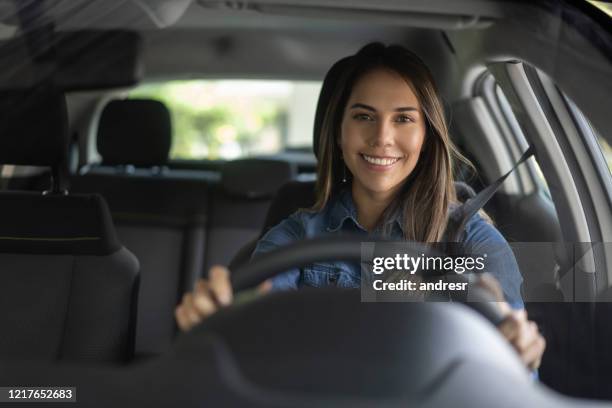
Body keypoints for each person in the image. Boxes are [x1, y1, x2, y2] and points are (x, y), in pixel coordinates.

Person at [175, 43, 546, 371]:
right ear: (338, 132)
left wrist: (516, 350)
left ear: (427, 136)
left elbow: (510, 374)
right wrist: (220, 322)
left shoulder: (472, 242)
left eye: (403, 118)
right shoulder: (296, 236)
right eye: (364, 116)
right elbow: (254, 327)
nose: (382, 137)